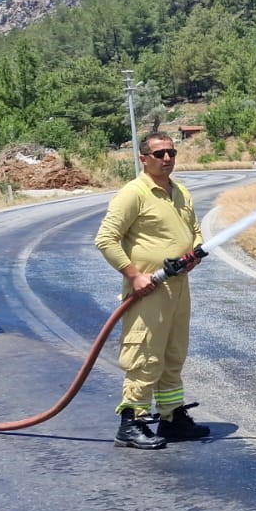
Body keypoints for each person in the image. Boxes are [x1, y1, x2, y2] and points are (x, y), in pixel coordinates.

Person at [94, 132, 209, 449]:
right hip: (149, 290)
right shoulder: (134, 193)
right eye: (159, 154)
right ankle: (133, 422)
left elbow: (194, 231)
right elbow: (106, 239)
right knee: (143, 355)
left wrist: (194, 252)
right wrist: (134, 275)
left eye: (171, 152)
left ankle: (172, 418)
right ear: (143, 158)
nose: (167, 159)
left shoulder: (180, 191)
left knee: (173, 354)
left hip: (178, 287)